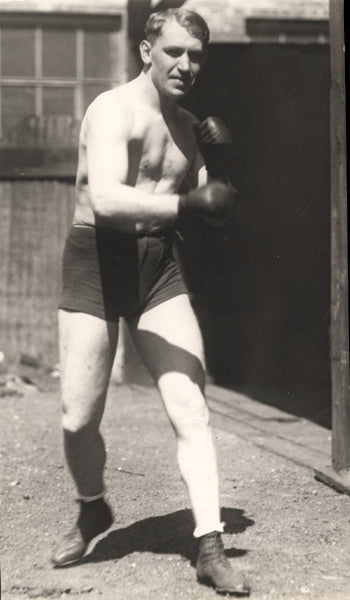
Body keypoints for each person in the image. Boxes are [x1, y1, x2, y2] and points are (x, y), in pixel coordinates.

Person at [52, 8, 250, 596]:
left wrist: (225, 164)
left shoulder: (190, 129)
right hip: (94, 262)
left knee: (190, 404)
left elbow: (216, 211)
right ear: (146, 50)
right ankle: (93, 507)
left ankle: (209, 544)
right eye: (173, 53)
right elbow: (109, 201)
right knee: (76, 420)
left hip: (156, 268)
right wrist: (189, 205)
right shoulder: (112, 110)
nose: (186, 65)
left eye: (195, 56)